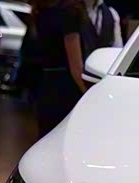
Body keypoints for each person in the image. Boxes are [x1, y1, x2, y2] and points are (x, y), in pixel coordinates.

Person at [32, 0, 87, 138]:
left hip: (45, 85)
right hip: (66, 89)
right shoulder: (68, 14)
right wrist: (88, 95)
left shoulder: (40, 11)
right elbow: (76, 67)